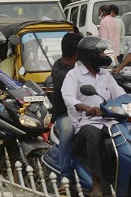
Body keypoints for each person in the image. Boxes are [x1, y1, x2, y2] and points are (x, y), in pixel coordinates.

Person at [62, 37, 125, 197]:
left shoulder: (106, 75)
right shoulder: (74, 74)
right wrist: (87, 108)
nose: (105, 55)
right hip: (85, 123)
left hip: (109, 121)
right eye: (101, 52)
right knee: (93, 136)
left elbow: (120, 94)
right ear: (91, 55)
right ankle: (96, 182)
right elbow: (68, 97)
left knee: (125, 136)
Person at [47, 32, 81, 182]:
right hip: (64, 114)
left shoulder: (67, 65)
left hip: (80, 111)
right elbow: (72, 101)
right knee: (68, 130)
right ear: (77, 52)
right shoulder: (63, 73)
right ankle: (65, 175)